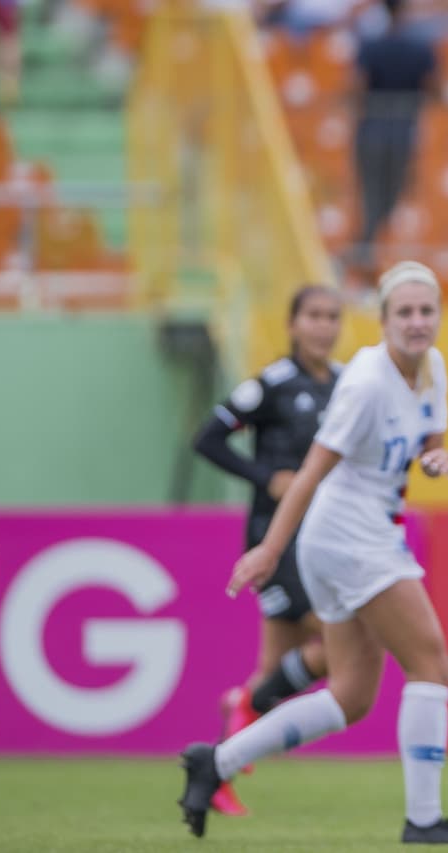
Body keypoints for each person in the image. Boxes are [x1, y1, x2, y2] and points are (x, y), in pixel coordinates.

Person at [178, 261, 448, 846]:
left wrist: (434, 459)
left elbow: (429, 441)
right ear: (382, 320)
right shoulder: (366, 382)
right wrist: (270, 550)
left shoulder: (432, 368)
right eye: (405, 312)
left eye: (427, 311)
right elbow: (310, 474)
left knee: (350, 697)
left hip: (355, 533)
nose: (418, 322)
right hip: (349, 534)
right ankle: (423, 821)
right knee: (433, 666)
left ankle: (214, 762)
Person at [190, 284, 343, 816]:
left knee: (273, 667)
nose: (324, 326)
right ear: (293, 324)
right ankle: (244, 710)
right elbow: (207, 438)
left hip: (326, 537)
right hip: (275, 542)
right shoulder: (271, 386)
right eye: (314, 316)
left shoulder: (347, 384)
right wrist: (265, 477)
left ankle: (218, 769)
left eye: (332, 317)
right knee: (334, 647)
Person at [346, 0, 439, 288]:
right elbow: (435, 88)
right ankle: (363, 263)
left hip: (371, 131)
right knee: (389, 199)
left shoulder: (371, 44)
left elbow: (356, 88)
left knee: (373, 200)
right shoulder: (421, 48)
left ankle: (363, 260)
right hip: (403, 132)